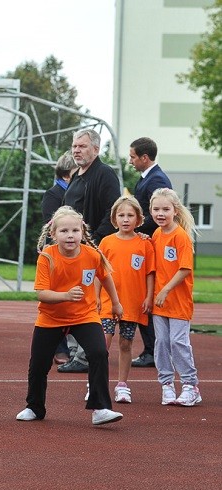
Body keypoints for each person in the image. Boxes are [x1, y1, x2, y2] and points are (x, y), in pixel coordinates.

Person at [15, 206, 124, 426]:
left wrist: (116, 302)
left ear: (82, 232)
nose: (70, 235)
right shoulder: (47, 257)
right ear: (53, 234)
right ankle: (34, 407)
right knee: (39, 364)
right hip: (50, 317)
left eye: (75, 230)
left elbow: (106, 278)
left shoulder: (92, 255)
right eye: (64, 231)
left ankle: (100, 408)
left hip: (84, 315)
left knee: (98, 352)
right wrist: (65, 295)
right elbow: (42, 294)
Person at [58, 128, 121, 374]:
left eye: (82, 146)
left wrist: (93, 240)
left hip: (89, 250)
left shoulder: (104, 174)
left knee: (88, 301)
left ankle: (84, 356)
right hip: (71, 251)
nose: (76, 150)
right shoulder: (77, 176)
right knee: (72, 299)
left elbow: (111, 210)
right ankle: (75, 351)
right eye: (74, 146)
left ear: (95, 149)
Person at [96, 196, 156, 404]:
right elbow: (99, 272)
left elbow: (150, 273)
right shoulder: (106, 242)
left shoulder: (145, 244)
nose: (125, 219)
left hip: (132, 303)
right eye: (121, 215)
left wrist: (149, 296)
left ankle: (122, 385)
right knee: (103, 342)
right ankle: (96, 383)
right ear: (114, 219)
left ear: (139, 219)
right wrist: (95, 296)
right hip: (107, 302)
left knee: (126, 343)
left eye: (130, 215)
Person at [149, 188, 201, 407]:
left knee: (178, 342)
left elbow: (184, 269)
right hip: (159, 303)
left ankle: (190, 385)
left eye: (165, 209)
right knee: (161, 342)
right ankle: (167, 385)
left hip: (177, 300)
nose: (160, 213)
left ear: (175, 210)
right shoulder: (156, 235)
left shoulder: (181, 236)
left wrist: (165, 290)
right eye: (156, 209)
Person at [128, 137, 173, 369]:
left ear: (145, 158)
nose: (130, 161)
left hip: (153, 246)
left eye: (133, 157)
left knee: (147, 296)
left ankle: (153, 350)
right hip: (147, 243)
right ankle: (153, 349)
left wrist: (135, 230)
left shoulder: (157, 180)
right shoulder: (147, 179)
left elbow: (158, 216)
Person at [42, 151, 78, 365]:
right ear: (66, 175)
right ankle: (59, 347)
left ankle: (74, 346)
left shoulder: (76, 192)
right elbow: (49, 226)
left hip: (75, 255)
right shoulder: (53, 194)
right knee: (56, 300)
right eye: (76, 173)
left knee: (74, 299)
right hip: (57, 255)